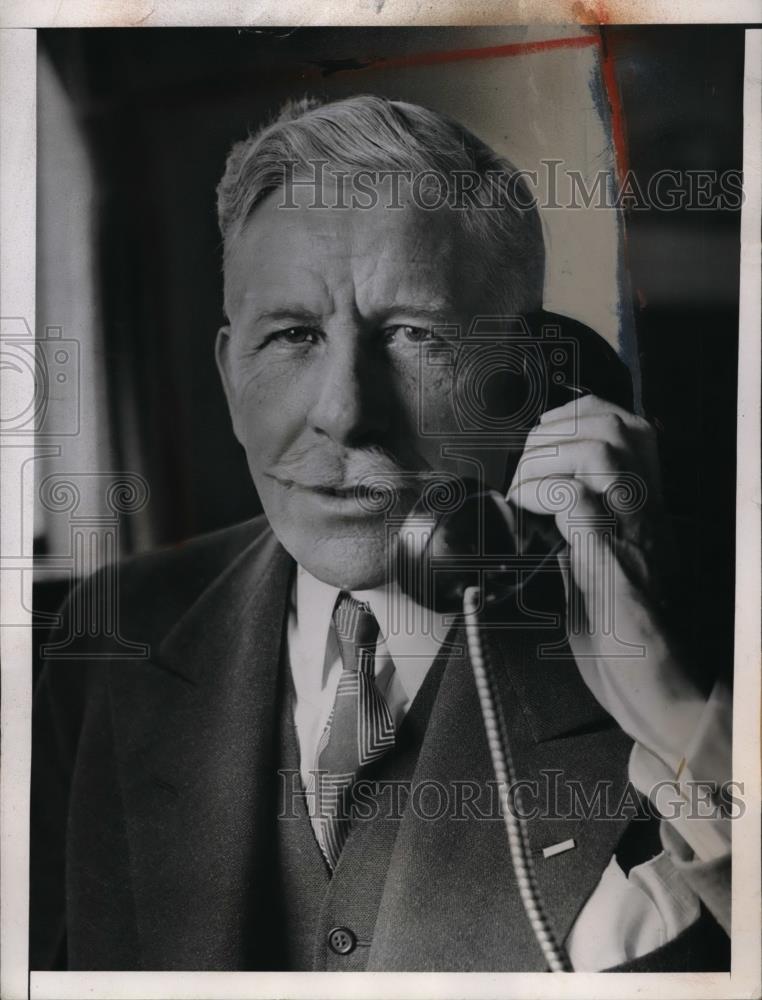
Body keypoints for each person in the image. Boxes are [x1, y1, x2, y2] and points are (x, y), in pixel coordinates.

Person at [30, 94, 732, 972]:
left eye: (412, 335)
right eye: (290, 336)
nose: (346, 415)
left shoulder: (715, 619)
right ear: (227, 375)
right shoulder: (111, 640)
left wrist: (684, 725)